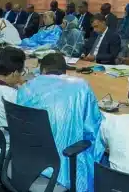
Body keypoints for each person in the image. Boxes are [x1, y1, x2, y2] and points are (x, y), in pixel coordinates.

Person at [16, 53, 104, 191]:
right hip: (64, 169)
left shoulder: (26, 87)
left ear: (42, 70)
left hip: (27, 162)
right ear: (65, 71)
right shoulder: (81, 87)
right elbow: (93, 129)